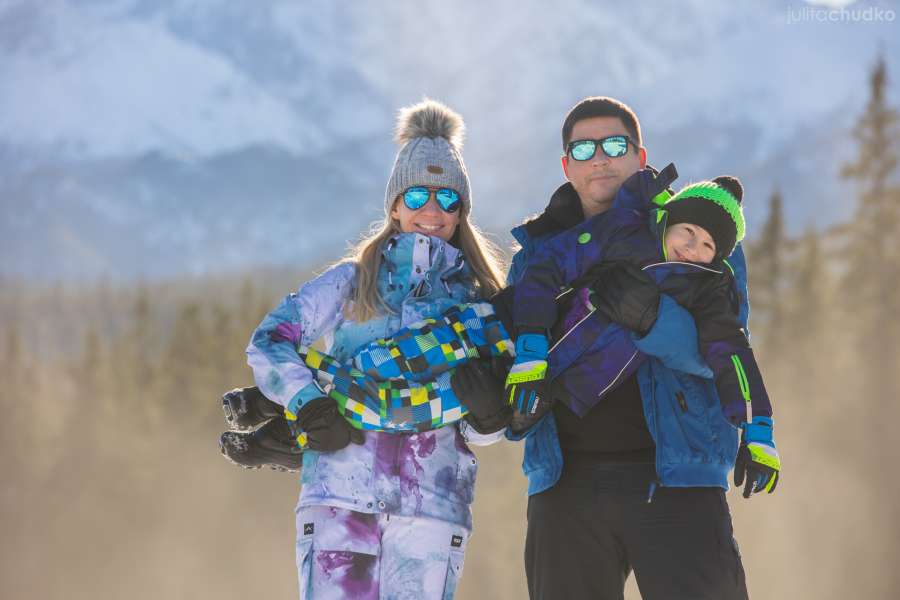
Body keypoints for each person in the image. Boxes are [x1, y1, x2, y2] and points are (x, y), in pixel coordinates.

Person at [509, 96, 780, 600]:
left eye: (615, 144)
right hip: (565, 488)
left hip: (678, 478)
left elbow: (723, 352)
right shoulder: (537, 256)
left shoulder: (702, 240)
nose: (601, 158)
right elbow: (516, 365)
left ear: (640, 154)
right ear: (566, 165)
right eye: (584, 148)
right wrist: (505, 409)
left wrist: (653, 318)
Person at [243, 98, 508, 599]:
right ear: (393, 204)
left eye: (448, 199)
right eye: (417, 196)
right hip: (340, 497)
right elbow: (269, 342)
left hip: (432, 507)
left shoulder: (480, 303)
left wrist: (489, 419)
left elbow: (476, 423)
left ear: (463, 211)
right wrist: (309, 403)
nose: (432, 211)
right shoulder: (350, 283)